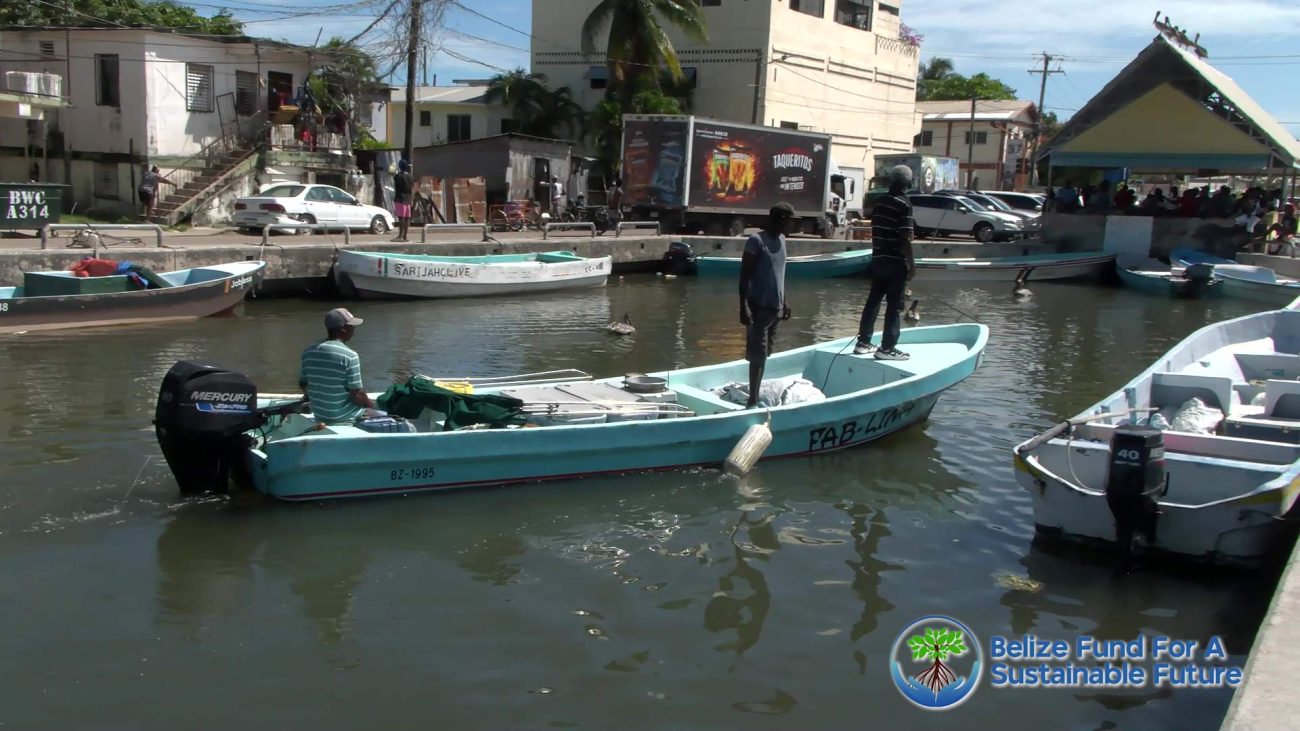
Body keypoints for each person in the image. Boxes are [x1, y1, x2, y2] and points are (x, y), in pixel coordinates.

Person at [855, 165, 915, 361]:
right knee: (894, 305)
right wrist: (912, 265)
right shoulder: (904, 204)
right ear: (908, 183)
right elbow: (905, 238)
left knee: (873, 300)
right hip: (895, 262)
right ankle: (887, 348)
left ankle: (863, 342)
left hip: (878, 259)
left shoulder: (879, 201)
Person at [738, 203, 794, 408]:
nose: (791, 225)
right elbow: (745, 276)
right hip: (758, 309)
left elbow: (780, 274)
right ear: (780, 218)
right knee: (757, 356)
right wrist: (743, 306)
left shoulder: (782, 240)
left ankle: (756, 393)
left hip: (775, 309)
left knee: (766, 354)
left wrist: (784, 302)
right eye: (789, 220)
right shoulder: (756, 241)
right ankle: (752, 400)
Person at [300, 308, 374, 425]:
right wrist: (371, 405)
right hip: (344, 417)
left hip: (319, 415)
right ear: (343, 329)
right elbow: (357, 395)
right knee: (384, 414)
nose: (354, 329)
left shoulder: (308, 352)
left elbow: (303, 384)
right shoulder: (350, 356)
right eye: (352, 326)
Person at [392, 159, 413, 242]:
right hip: (408, 199)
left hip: (400, 198)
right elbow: (411, 187)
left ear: (399, 167)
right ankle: (405, 236)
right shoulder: (410, 176)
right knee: (407, 219)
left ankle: (400, 236)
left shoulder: (398, 176)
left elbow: (396, 184)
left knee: (401, 218)